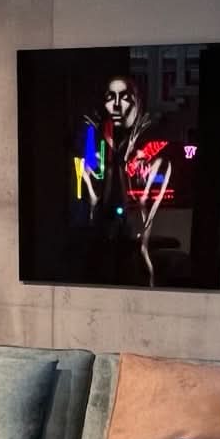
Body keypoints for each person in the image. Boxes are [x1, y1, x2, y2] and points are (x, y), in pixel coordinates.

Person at [74, 75, 172, 287]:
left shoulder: (149, 136)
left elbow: (156, 175)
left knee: (134, 262)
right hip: (103, 220)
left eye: (124, 98)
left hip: (134, 222)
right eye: (110, 97)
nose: (116, 105)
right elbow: (88, 167)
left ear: (136, 100)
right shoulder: (98, 133)